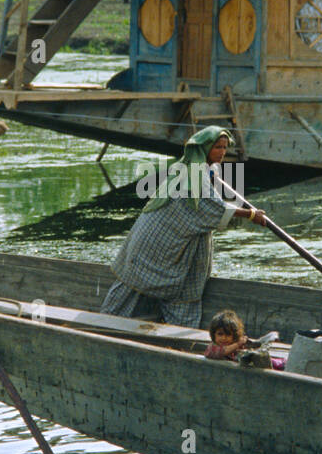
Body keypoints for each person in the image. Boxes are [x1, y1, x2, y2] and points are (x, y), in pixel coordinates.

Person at [100, 126, 265, 328]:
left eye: (224, 147)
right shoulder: (192, 173)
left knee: (182, 286)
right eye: (217, 148)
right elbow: (211, 208)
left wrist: (212, 176)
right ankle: (106, 324)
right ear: (204, 149)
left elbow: (208, 190)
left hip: (171, 238)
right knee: (135, 284)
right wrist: (250, 214)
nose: (222, 152)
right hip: (155, 240)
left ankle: (177, 326)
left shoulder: (201, 167)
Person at [205, 309, 284, 370]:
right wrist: (238, 344)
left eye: (228, 334)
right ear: (213, 334)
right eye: (220, 334)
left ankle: (278, 363)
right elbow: (222, 352)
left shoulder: (234, 344)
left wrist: (246, 343)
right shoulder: (212, 348)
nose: (223, 338)